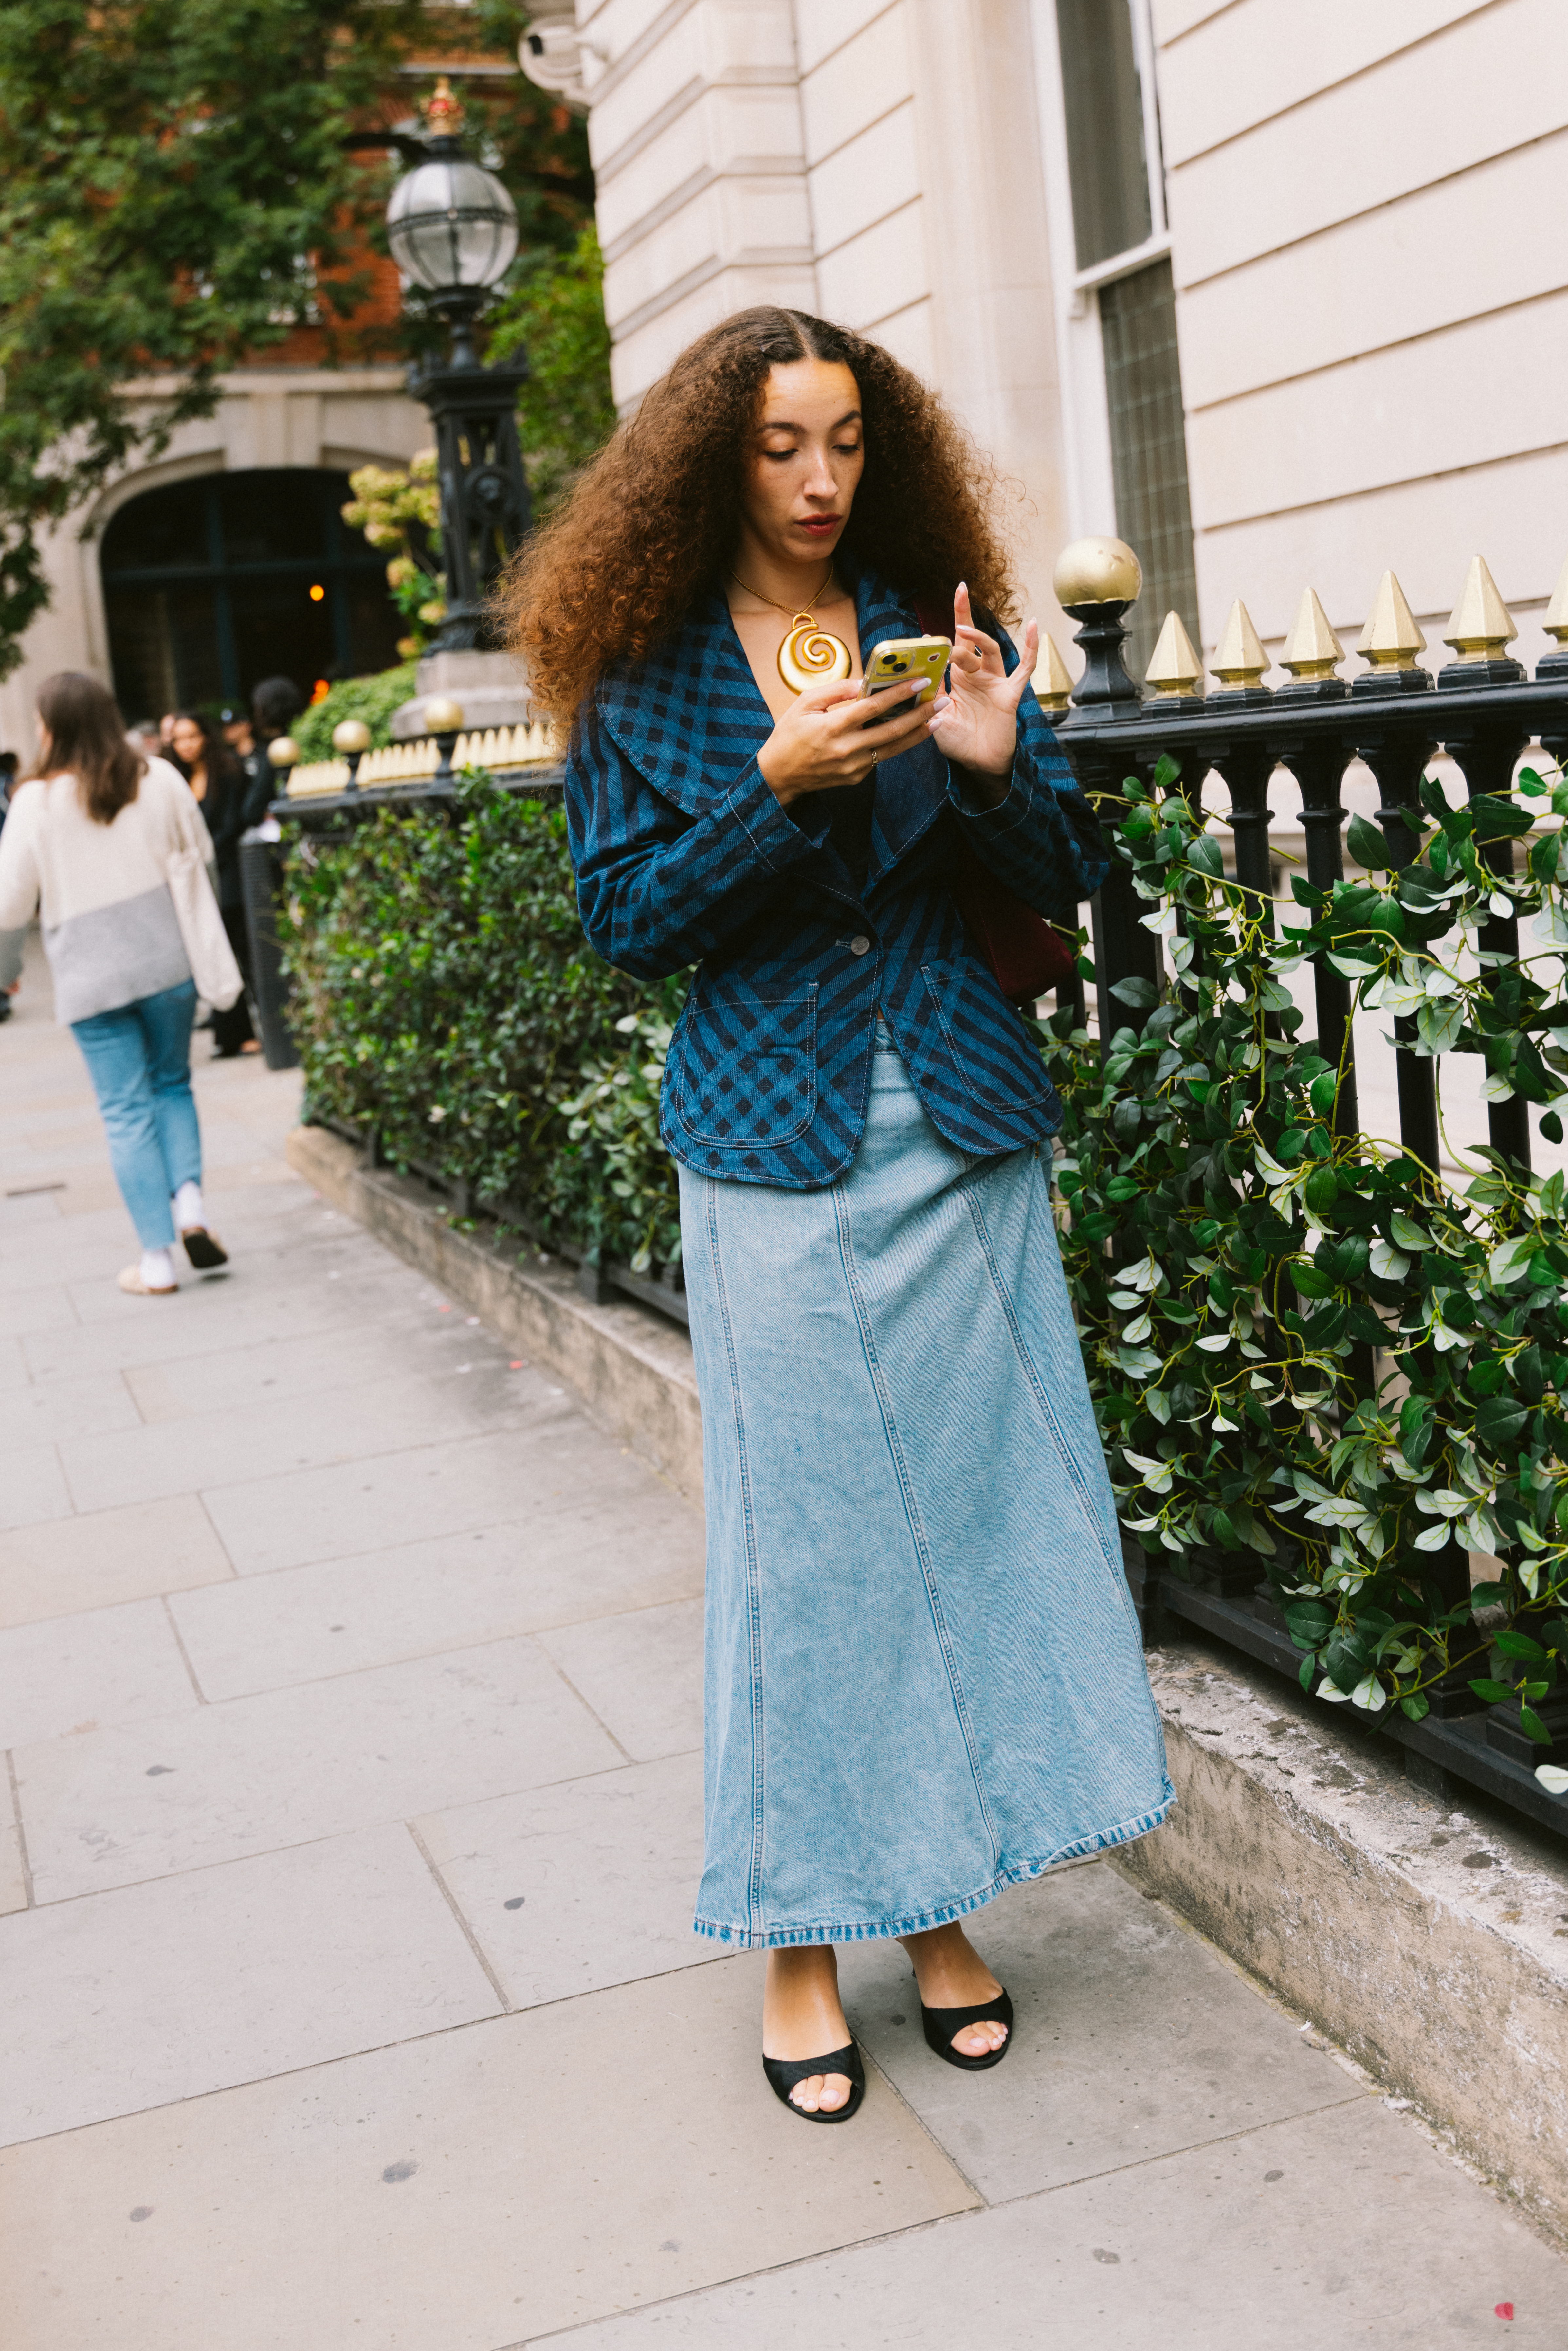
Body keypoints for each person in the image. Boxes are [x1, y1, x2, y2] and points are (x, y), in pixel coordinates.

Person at [507, 308, 1172, 2125]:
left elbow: (1057, 881)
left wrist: (995, 760)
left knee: (964, 1526)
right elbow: (628, 924)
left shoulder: (929, 620)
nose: (820, 479)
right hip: (769, 1139)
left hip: (959, 1128)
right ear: (709, 461)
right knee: (805, 1553)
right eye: (782, 445)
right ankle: (800, 1935)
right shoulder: (642, 675)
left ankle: (939, 1905)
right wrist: (771, 791)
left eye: (849, 442)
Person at [0, 673, 229, 1295]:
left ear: (52, 727)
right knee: (172, 1083)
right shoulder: (159, 778)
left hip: (90, 976)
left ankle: (156, 1262)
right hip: (167, 963)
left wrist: (6, 972)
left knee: (126, 1111)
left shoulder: (34, 802)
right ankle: (191, 1208)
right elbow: (203, 858)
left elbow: (9, 905)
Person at [168, 711, 257, 1056]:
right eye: (179, 739)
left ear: (205, 736)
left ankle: (255, 1029)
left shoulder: (228, 772)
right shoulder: (175, 781)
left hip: (229, 872)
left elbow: (233, 823)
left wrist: (203, 853)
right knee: (210, 948)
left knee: (240, 949)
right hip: (195, 878)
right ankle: (230, 1035)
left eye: (192, 736)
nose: (186, 745)